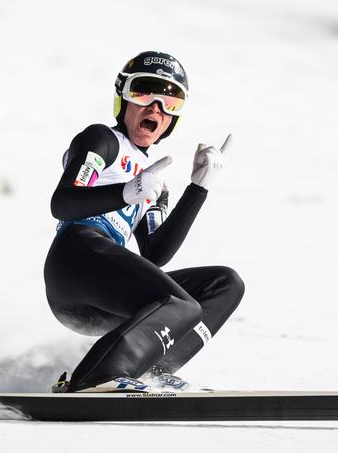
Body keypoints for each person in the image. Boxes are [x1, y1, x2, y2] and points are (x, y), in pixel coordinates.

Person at [44, 51, 245, 392]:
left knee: (224, 284)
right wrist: (124, 193)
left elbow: (155, 254)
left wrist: (198, 187)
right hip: (76, 262)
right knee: (180, 304)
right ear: (122, 100)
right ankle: (96, 377)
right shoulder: (102, 141)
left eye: (170, 101)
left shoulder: (154, 179)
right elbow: (62, 203)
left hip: (108, 288)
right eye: (143, 93)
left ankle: (150, 368)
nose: (156, 108)